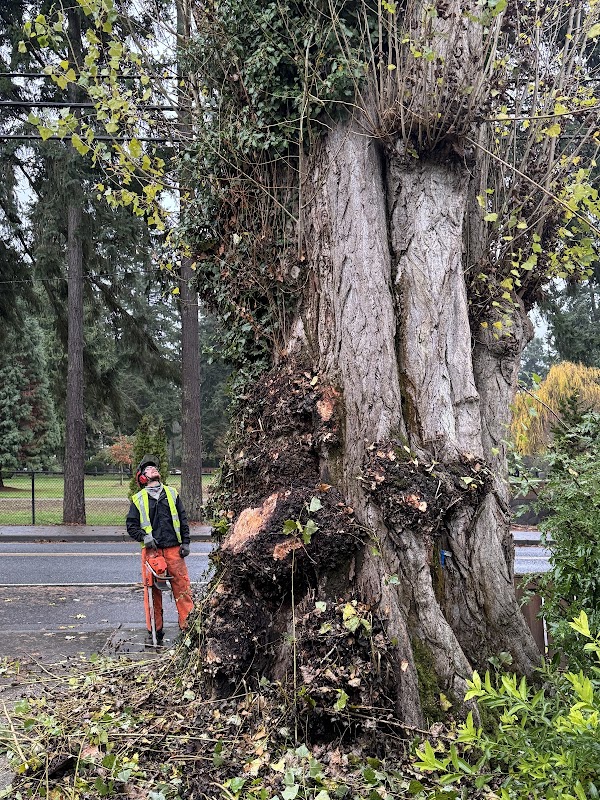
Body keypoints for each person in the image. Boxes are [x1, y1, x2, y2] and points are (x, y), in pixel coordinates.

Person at [126, 454, 193, 645]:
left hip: (174, 550)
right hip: (152, 553)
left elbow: (182, 519)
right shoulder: (138, 499)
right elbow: (131, 526)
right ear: (142, 477)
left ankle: (188, 627)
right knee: (152, 593)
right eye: (148, 469)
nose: (153, 469)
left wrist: (186, 542)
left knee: (183, 589)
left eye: (154, 467)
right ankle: (155, 630)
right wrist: (144, 537)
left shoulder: (171, 493)